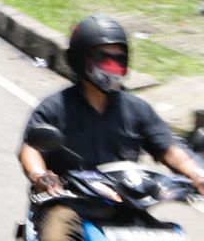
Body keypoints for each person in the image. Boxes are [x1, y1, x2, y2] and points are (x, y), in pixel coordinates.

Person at [18, 15, 204, 240]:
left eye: (119, 59)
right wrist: (41, 175)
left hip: (127, 206)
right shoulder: (56, 106)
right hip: (70, 204)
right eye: (103, 58)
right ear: (80, 59)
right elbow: (31, 149)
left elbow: (169, 148)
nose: (112, 66)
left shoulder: (137, 109)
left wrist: (196, 175)